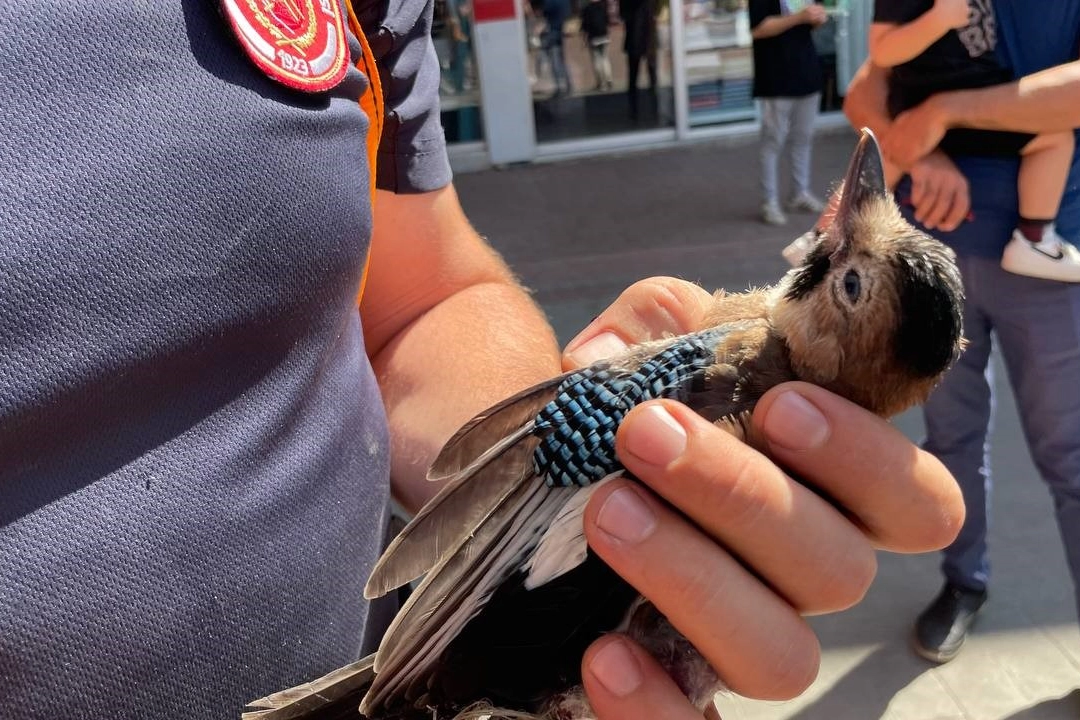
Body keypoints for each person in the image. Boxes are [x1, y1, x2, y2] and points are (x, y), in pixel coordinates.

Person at [0, 3, 964, 719]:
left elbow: (426, 296)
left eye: (850, 284)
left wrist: (568, 432)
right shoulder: (729, 355)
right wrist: (579, 430)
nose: (837, 241)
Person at [844, 0, 1080, 664]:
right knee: (951, 439)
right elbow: (866, 88)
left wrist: (944, 112)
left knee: (1072, 456)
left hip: (1050, 262)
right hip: (933, 255)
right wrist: (923, 154)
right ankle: (963, 582)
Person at [870, 0, 1080, 282]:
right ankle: (1034, 237)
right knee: (1055, 138)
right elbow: (875, 67)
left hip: (1040, 269)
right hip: (919, 240)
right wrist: (922, 154)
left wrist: (942, 113)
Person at [749, 0, 828, 227]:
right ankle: (769, 202)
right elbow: (759, 29)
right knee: (772, 141)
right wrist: (799, 17)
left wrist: (816, 19)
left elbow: (807, 23)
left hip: (807, 72)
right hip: (776, 77)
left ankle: (799, 193)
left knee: (803, 138)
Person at [580, 0, 614, 91]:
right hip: (604, 35)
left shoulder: (587, 9)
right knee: (605, 58)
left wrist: (584, 39)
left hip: (594, 37)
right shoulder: (603, 6)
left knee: (597, 60)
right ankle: (609, 79)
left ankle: (601, 82)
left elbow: (585, 25)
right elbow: (607, 21)